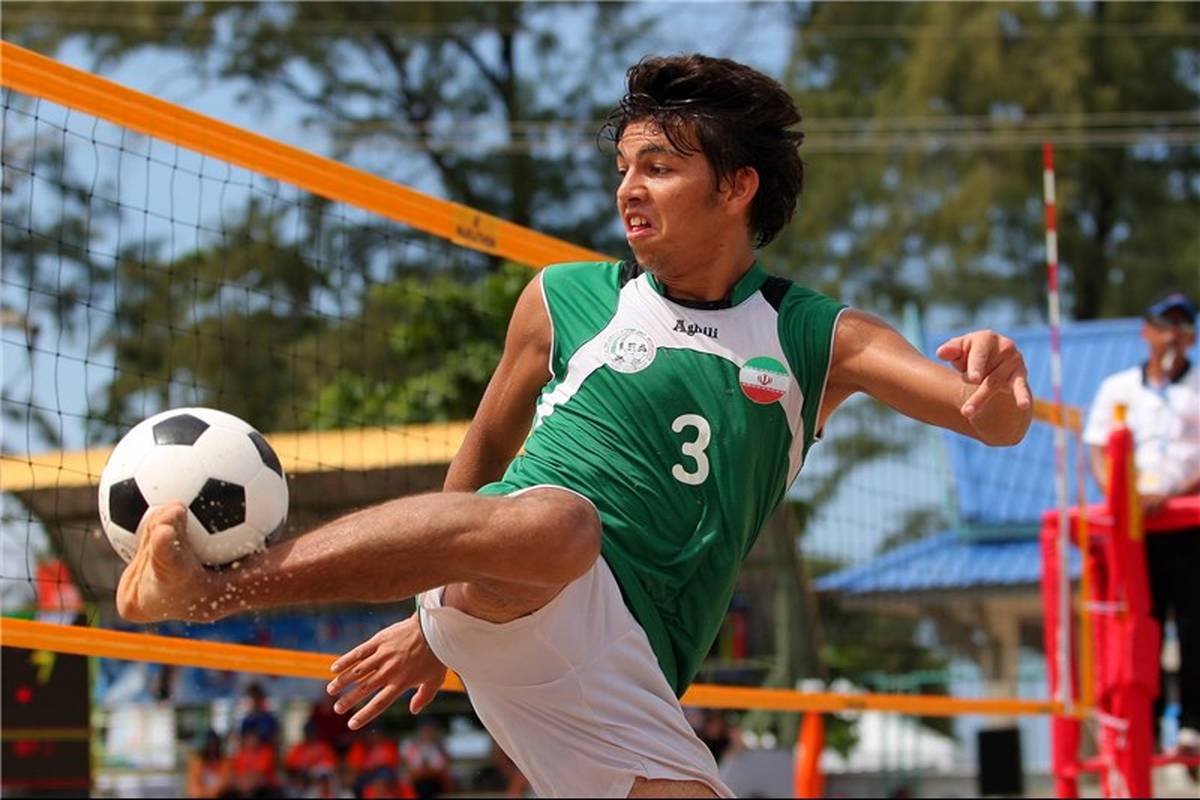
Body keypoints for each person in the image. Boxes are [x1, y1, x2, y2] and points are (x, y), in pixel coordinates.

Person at [116, 54, 1032, 798]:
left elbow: (985, 420)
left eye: (659, 168)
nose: (629, 189)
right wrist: (433, 615)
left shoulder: (815, 334)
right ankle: (211, 589)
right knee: (560, 521)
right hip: (534, 575)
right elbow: (484, 451)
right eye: (623, 168)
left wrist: (993, 384)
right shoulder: (564, 297)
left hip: (634, 671)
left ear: (737, 187)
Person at [1083, 291, 1200, 755]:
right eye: (1164, 325)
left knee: (1193, 625)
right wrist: (1123, 496)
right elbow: (1098, 451)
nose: (1172, 335)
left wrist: (1172, 493)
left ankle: (1192, 726)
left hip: (1189, 523)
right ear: (1146, 332)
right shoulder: (1118, 388)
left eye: (1182, 326)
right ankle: (1141, 728)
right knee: (1137, 627)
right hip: (1134, 531)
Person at [186, 729, 231, 799]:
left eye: (214, 744)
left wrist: (213, 792)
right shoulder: (196, 762)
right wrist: (203, 793)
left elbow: (226, 782)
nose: (212, 748)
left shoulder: (225, 762)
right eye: (209, 744)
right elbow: (193, 787)